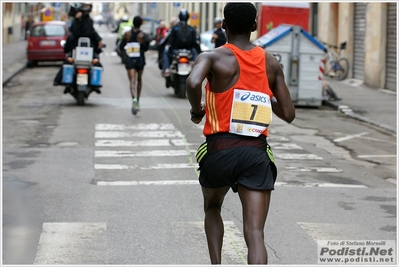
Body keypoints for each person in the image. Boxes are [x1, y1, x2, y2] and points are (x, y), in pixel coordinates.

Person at [186, 2, 295, 264]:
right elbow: (289, 114)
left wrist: (196, 110)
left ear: (223, 25)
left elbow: (192, 82)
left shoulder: (211, 57)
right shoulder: (270, 62)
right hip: (256, 153)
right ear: (255, 26)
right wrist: (261, 95)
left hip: (219, 150)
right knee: (255, 232)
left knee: (213, 206)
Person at [53, 2, 103, 93]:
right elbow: (72, 36)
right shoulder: (76, 22)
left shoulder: (87, 21)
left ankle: (95, 85)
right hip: (76, 50)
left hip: (88, 51)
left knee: (97, 64)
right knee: (67, 63)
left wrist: (99, 46)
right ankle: (64, 82)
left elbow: (91, 34)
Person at [119, 16, 149, 116]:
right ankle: (138, 100)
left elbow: (120, 46)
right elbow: (146, 47)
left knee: (132, 81)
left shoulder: (127, 34)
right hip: (140, 60)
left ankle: (134, 99)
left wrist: (127, 49)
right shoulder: (143, 35)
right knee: (139, 80)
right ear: (140, 24)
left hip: (130, 59)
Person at [162, 9, 200, 77]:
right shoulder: (191, 29)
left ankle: (167, 69)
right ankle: (196, 70)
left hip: (176, 50)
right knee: (196, 53)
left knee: (166, 51)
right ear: (188, 17)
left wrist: (170, 46)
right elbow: (194, 42)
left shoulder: (175, 28)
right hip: (189, 51)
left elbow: (170, 41)